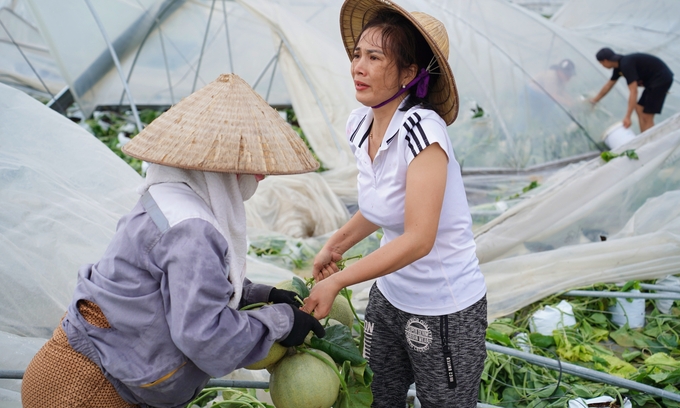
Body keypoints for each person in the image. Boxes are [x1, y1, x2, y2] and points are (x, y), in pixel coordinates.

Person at [20, 74, 325, 408]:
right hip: (85, 392)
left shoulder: (169, 200)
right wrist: (281, 323)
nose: (261, 175)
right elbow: (205, 335)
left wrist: (258, 294)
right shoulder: (191, 229)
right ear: (219, 169)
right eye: (250, 166)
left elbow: (178, 286)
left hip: (78, 373)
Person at [301, 1, 488, 407]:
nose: (359, 66)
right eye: (357, 55)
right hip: (390, 296)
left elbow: (420, 238)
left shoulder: (422, 131)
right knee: (378, 396)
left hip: (443, 308)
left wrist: (338, 280)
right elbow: (378, 207)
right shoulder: (361, 124)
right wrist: (334, 248)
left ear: (409, 73)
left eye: (374, 57)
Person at [590, 47, 674, 133]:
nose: (602, 66)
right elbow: (608, 85)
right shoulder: (618, 67)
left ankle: (653, 142)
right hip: (654, 82)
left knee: (647, 116)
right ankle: (644, 138)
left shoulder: (626, 64)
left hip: (661, 79)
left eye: (601, 63)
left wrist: (627, 117)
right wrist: (594, 100)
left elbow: (633, 91)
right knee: (639, 108)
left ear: (605, 61)